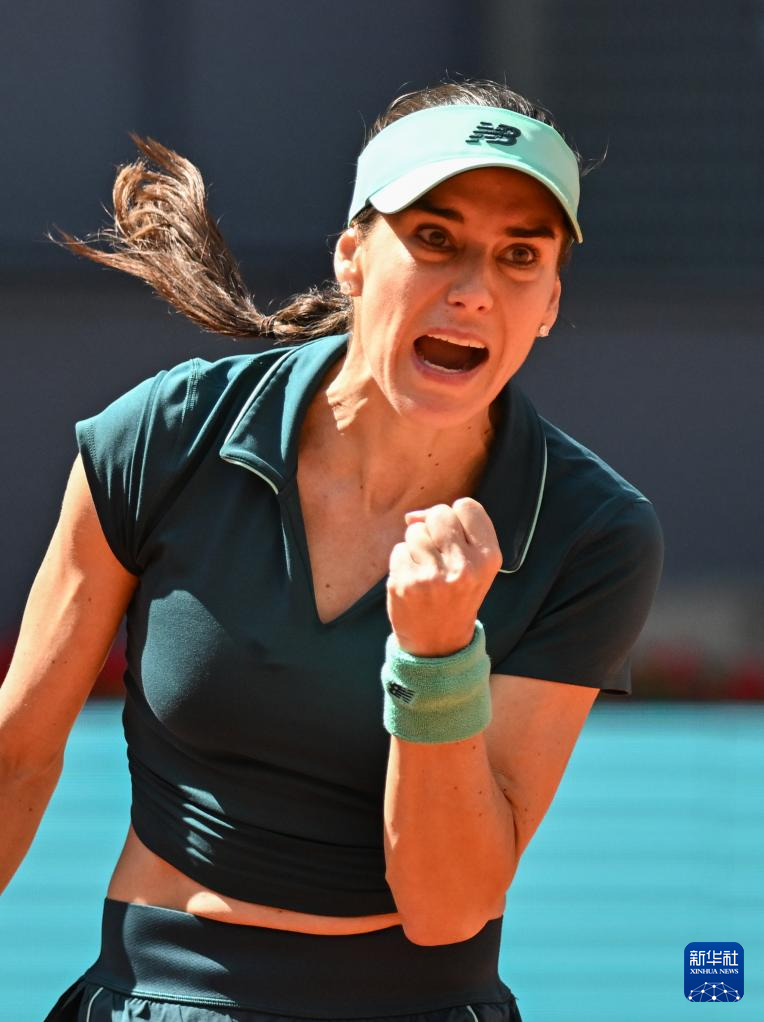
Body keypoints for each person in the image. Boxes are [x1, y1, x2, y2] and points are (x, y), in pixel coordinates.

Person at [1, 80, 663, 1021]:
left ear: (551, 301)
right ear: (352, 257)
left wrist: (437, 657)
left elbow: (449, 907)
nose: (474, 289)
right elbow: (15, 759)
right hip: (153, 999)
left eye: (520, 256)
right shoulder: (165, 435)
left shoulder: (594, 532)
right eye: (433, 238)